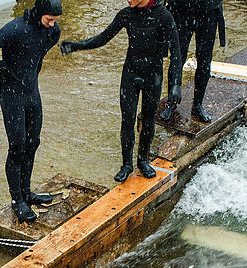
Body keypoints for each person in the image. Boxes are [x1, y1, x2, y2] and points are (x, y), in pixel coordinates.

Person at [60, 0, 181, 183]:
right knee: (127, 120)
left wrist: (176, 84)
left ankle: (142, 160)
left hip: (152, 76)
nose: (127, 0)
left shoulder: (163, 16)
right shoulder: (126, 14)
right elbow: (103, 38)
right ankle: (126, 165)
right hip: (130, 74)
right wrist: (77, 46)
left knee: (148, 121)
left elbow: (176, 52)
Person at [0, 0, 62, 224]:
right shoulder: (15, 29)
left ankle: (27, 192)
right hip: (12, 95)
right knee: (17, 147)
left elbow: (39, 54)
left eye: (55, 21)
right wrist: (4, 69)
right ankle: (17, 201)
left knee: (33, 142)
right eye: (49, 19)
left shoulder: (52, 32)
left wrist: (31, 71)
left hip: (32, 93)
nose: (52, 25)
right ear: (40, 12)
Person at [158, 0, 225, 123]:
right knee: (177, 59)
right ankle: (171, 103)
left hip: (208, 11)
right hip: (180, 11)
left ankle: (198, 104)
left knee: (205, 61)